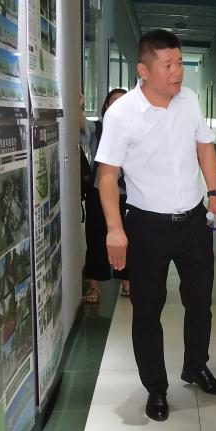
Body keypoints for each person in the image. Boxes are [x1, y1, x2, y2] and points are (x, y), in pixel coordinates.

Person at [96, 29, 216, 423]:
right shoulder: (122, 113)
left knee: (200, 301)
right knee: (147, 310)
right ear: (144, 70)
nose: (178, 72)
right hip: (146, 226)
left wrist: (214, 194)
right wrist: (114, 229)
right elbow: (107, 177)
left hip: (193, 221)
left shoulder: (189, 100)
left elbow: (204, 145)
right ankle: (156, 387)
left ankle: (196, 366)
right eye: (168, 65)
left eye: (180, 63)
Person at [83, 88, 128, 304]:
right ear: (106, 106)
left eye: (122, 101)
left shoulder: (137, 127)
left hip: (129, 194)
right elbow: (81, 125)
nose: (117, 105)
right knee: (96, 239)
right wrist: (78, 105)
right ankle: (94, 287)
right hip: (98, 193)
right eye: (113, 101)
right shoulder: (98, 128)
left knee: (130, 238)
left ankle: (127, 284)